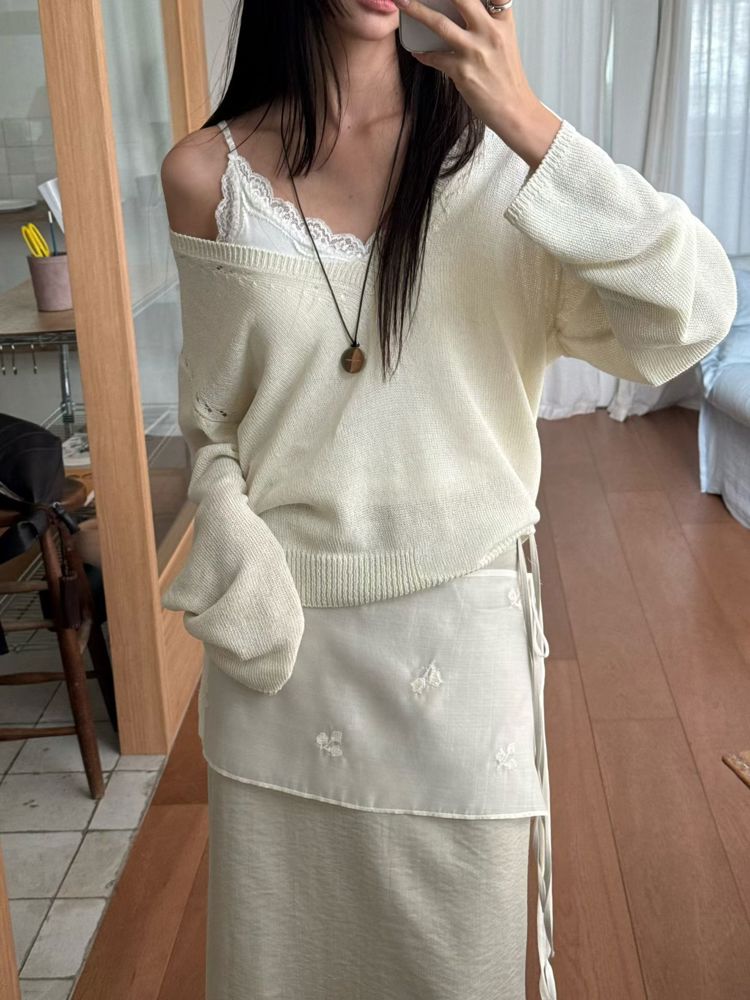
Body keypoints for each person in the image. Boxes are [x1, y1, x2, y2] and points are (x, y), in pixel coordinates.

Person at [159, 1, 738, 998]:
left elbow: (693, 313)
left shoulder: (510, 171)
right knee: (282, 968)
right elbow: (215, 418)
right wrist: (232, 539)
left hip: (460, 660)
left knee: (457, 968)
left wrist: (525, 117)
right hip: (283, 654)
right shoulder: (205, 176)